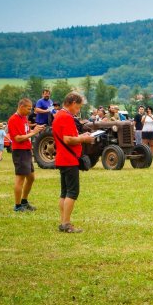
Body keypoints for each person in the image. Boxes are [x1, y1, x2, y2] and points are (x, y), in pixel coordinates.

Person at [54, 92, 95, 233]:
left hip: (62, 158)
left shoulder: (58, 115)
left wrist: (80, 136)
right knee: (72, 192)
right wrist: (84, 139)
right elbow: (68, 139)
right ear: (72, 103)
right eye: (78, 107)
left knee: (64, 192)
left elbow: (69, 137)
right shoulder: (66, 117)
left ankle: (63, 221)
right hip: (69, 159)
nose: (78, 111)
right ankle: (66, 223)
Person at [8, 98, 46, 212]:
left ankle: (24, 202)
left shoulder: (24, 118)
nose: (30, 111)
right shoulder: (13, 120)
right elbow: (17, 138)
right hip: (19, 152)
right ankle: (18, 206)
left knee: (31, 178)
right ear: (21, 107)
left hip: (26, 150)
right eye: (28, 108)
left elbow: (26, 133)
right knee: (20, 179)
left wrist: (35, 130)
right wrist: (33, 133)